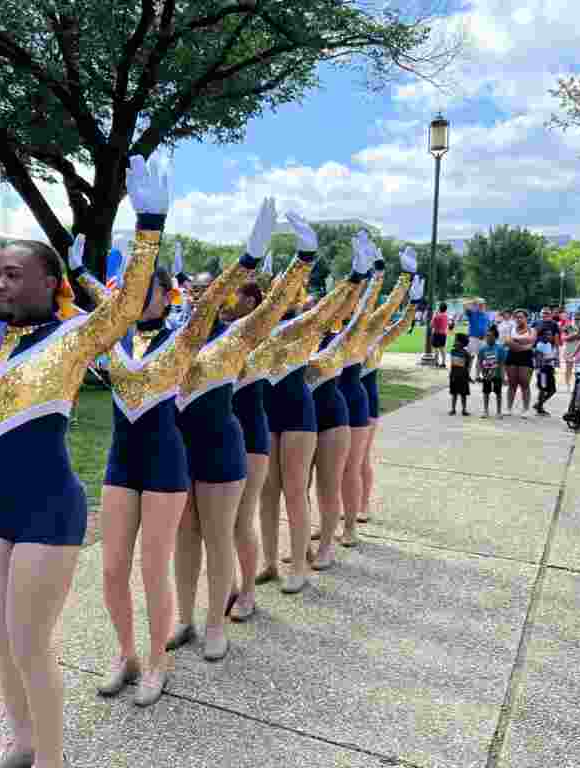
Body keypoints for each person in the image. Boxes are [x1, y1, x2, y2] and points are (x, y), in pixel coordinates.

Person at [0, 160, 165, 768]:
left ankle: (53, 761)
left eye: (13, 275)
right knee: (2, 640)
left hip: (49, 512)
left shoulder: (72, 339)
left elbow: (122, 313)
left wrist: (149, 223)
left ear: (50, 283)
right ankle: (21, 742)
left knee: (31, 643)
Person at [167, 210, 316, 660]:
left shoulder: (243, 336)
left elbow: (280, 306)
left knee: (234, 524)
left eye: (208, 292)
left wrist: (304, 259)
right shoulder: (179, 336)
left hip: (242, 436)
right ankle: (188, 615)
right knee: (187, 536)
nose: (200, 298)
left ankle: (239, 598)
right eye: (193, 291)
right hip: (184, 446)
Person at [245, 242, 371, 594]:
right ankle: (270, 562)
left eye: (283, 294)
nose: (277, 298)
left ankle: (301, 563)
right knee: (267, 494)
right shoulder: (253, 328)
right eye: (272, 293)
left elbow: (340, 306)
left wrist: (359, 277)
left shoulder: (306, 326)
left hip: (300, 414)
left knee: (296, 490)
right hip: (267, 414)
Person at [308, 243, 417, 556]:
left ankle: (350, 526)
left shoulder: (359, 333)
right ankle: (325, 523)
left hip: (352, 404)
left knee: (350, 468)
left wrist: (392, 275)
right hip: (318, 407)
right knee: (323, 475)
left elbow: (381, 309)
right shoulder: (314, 333)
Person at [356, 283, 422, 523]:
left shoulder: (377, 339)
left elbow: (402, 325)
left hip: (367, 404)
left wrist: (412, 304)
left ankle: (363, 505)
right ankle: (346, 504)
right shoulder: (343, 338)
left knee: (361, 457)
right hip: (343, 404)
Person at [504, 309, 537, 418]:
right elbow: (508, 342)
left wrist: (515, 342)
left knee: (524, 383)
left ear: (526, 318)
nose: (519, 319)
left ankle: (526, 409)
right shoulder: (511, 329)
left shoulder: (532, 330)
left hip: (526, 358)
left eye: (521, 317)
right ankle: (508, 408)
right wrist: (523, 345)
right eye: (517, 317)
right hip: (512, 357)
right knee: (512, 383)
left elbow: (531, 340)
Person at [477, 325, 506, 419]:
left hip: (497, 374)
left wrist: (503, 376)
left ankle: (499, 411)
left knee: (498, 393)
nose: (488, 338)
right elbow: (479, 362)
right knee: (486, 393)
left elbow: (502, 364)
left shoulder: (500, 349)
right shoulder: (482, 349)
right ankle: (485, 411)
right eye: (487, 336)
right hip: (486, 375)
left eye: (490, 336)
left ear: (495, 337)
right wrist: (481, 373)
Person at [533, 330, 558, 415]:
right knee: (543, 389)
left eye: (550, 335)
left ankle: (539, 404)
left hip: (549, 369)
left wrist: (552, 365)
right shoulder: (539, 345)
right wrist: (553, 358)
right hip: (542, 370)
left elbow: (548, 357)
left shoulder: (549, 344)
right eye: (547, 335)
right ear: (542, 336)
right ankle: (540, 408)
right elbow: (540, 360)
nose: (549, 336)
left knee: (552, 390)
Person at [561, 312, 580, 391]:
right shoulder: (568, 326)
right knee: (568, 368)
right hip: (570, 349)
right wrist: (575, 335)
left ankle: (578, 385)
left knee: (579, 369)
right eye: (576, 318)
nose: (578, 320)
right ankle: (567, 385)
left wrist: (579, 334)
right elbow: (563, 338)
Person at [448, 332, 473, 416]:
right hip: (454, 375)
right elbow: (452, 365)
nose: (454, 342)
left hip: (463, 376)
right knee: (454, 393)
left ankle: (464, 409)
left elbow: (468, 365)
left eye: (456, 340)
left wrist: (468, 376)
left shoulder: (466, 354)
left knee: (463, 394)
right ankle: (453, 409)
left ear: (462, 343)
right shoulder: (453, 351)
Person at [464, 298, 490, 371]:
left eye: (482, 304)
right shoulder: (472, 313)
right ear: (476, 305)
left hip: (483, 339)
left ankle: (478, 376)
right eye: (479, 304)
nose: (481, 306)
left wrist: (486, 336)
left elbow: (488, 327)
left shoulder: (487, 315)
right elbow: (465, 305)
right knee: (470, 357)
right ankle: (467, 375)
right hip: (473, 338)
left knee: (481, 358)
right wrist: (473, 301)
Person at [430, 302, 449, 367]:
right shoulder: (446, 316)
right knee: (442, 348)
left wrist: (434, 315)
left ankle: (436, 362)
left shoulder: (437, 316)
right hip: (443, 334)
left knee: (436, 349)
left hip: (436, 333)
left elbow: (431, 325)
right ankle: (443, 363)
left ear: (439, 308)